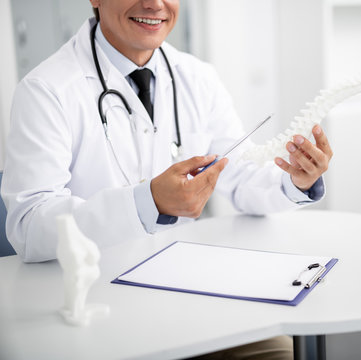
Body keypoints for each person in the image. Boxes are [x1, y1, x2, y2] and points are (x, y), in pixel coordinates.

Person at [1, 0, 333, 358]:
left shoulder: (197, 77)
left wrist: (295, 181)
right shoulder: (46, 89)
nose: (154, 4)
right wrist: (147, 203)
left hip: (188, 294)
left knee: (275, 352)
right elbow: (28, 226)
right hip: (98, 306)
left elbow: (239, 176)